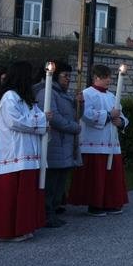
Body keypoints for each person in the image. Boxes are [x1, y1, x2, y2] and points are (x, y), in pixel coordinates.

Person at [0, 61, 48, 242]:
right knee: (11, 195)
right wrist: (42, 119)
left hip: (28, 151)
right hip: (14, 151)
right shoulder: (9, 97)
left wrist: (43, 118)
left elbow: (38, 115)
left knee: (25, 195)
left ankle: (23, 227)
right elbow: (15, 121)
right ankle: (8, 231)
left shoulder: (26, 97)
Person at [67, 64, 129, 216]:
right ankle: (94, 204)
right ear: (96, 78)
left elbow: (121, 115)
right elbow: (86, 115)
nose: (109, 80)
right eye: (105, 77)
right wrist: (108, 115)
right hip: (93, 141)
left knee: (111, 176)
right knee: (96, 176)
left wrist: (121, 122)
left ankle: (110, 202)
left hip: (111, 142)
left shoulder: (112, 96)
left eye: (109, 77)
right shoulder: (86, 94)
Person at [35, 61, 80, 228]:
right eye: (65, 75)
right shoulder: (46, 92)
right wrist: (73, 127)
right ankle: (46, 213)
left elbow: (73, 115)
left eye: (70, 76)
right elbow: (53, 117)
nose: (68, 79)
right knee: (51, 182)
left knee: (59, 182)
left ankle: (53, 210)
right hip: (54, 143)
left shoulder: (63, 94)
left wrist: (79, 104)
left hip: (64, 145)